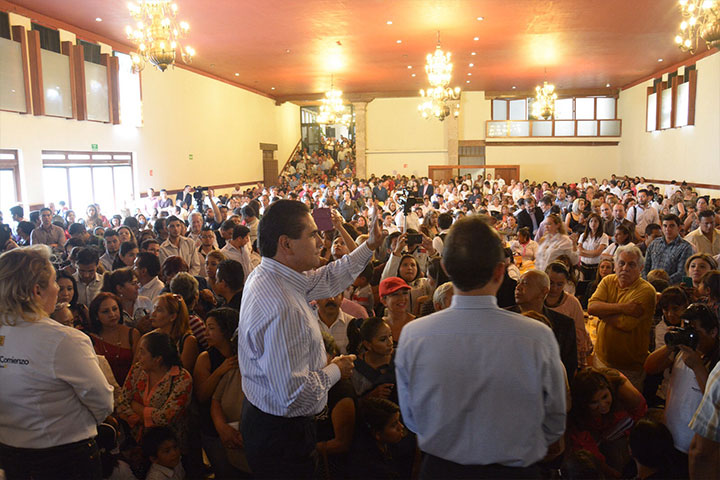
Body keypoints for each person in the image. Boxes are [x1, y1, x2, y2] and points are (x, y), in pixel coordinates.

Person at [396, 216, 566, 477]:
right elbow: (554, 422)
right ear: (500, 271)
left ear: (446, 268)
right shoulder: (536, 336)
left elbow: (412, 419)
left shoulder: (414, 335)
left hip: (443, 468)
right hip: (514, 468)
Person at [238, 199, 383, 478]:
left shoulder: (271, 273)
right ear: (286, 244)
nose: (320, 241)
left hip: (267, 419)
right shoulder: (284, 308)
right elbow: (295, 397)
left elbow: (327, 279)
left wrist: (370, 245)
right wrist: (335, 370)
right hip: (281, 435)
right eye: (313, 234)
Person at [0, 245, 114, 478]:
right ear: (37, 291)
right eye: (54, 282)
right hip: (65, 457)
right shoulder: (65, 339)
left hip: (10, 455)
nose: (58, 290)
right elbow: (102, 401)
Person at [645, 303, 720, 455]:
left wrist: (697, 367)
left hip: (694, 447)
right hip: (669, 437)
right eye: (686, 328)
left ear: (713, 332)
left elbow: (715, 402)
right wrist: (670, 346)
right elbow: (649, 367)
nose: (688, 334)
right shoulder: (681, 351)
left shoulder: (716, 362)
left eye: (694, 331)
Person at [589, 245, 657, 390]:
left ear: (640, 268)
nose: (625, 268)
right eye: (621, 263)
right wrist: (623, 308)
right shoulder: (608, 281)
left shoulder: (646, 291)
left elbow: (625, 324)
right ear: (615, 266)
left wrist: (602, 312)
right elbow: (592, 307)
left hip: (629, 367)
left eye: (631, 264)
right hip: (601, 358)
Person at [117, 332, 193, 453]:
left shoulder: (181, 379)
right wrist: (142, 418)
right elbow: (121, 403)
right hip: (137, 443)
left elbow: (165, 418)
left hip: (169, 448)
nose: (138, 357)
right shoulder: (137, 369)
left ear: (158, 359)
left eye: (142, 352)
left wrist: (135, 407)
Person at [567, 368, 647, 478]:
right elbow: (588, 449)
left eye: (605, 397)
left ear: (609, 389)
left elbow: (641, 413)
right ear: (584, 404)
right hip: (596, 431)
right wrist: (611, 473)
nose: (603, 405)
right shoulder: (577, 415)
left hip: (623, 423)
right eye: (594, 402)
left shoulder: (621, 387)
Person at [193, 307, 244, 479]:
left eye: (211, 328)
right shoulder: (205, 358)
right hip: (213, 428)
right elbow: (202, 395)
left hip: (242, 425)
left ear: (227, 330)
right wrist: (220, 371)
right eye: (206, 327)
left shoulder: (243, 354)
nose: (206, 333)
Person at [513, 270, 578, 376]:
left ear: (543, 291)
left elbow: (569, 366)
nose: (518, 287)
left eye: (525, 283)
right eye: (518, 283)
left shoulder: (564, 324)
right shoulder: (504, 318)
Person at [544, 262, 593, 368]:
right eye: (551, 283)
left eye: (559, 284)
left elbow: (579, 334)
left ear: (566, 283)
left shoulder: (572, 303)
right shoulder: (536, 298)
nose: (554, 288)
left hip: (565, 353)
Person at [88, 292, 141, 386]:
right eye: (105, 311)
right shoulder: (91, 339)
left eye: (115, 309)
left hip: (131, 386)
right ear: (96, 316)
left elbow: (138, 368)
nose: (112, 314)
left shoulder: (132, 334)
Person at [149, 293, 199, 374]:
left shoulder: (187, 341)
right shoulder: (149, 337)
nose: (153, 314)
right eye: (154, 308)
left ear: (172, 317)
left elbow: (181, 375)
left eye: (159, 310)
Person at [643, 214, 694, 285]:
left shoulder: (685, 247)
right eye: (665, 226)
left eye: (672, 226)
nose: (668, 229)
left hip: (671, 286)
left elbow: (681, 273)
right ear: (662, 227)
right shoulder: (654, 243)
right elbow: (645, 267)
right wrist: (647, 282)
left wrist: (662, 284)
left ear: (678, 228)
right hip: (650, 284)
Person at [578, 213, 609, 281]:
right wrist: (592, 254)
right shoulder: (583, 235)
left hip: (595, 267)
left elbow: (597, 253)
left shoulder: (604, 236)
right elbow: (579, 251)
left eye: (595, 221)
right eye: (591, 221)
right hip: (583, 266)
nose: (593, 223)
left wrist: (584, 251)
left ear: (599, 223)